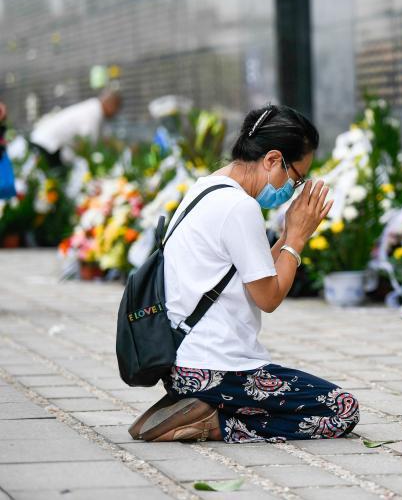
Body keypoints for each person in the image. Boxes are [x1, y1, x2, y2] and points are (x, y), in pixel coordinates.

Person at [128, 104, 360, 443]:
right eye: (296, 178)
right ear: (271, 160)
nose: (293, 189)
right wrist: (297, 238)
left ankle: (193, 405)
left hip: (183, 363)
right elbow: (267, 297)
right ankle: (213, 421)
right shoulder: (239, 207)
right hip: (220, 367)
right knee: (341, 409)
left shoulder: (206, 189)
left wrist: (285, 235)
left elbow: (255, 273)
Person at [29, 89, 122, 167]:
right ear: (111, 104)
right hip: (47, 145)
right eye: (116, 109)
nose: (115, 113)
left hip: (47, 142)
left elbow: (104, 138)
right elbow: (87, 146)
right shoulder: (93, 113)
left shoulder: (94, 109)